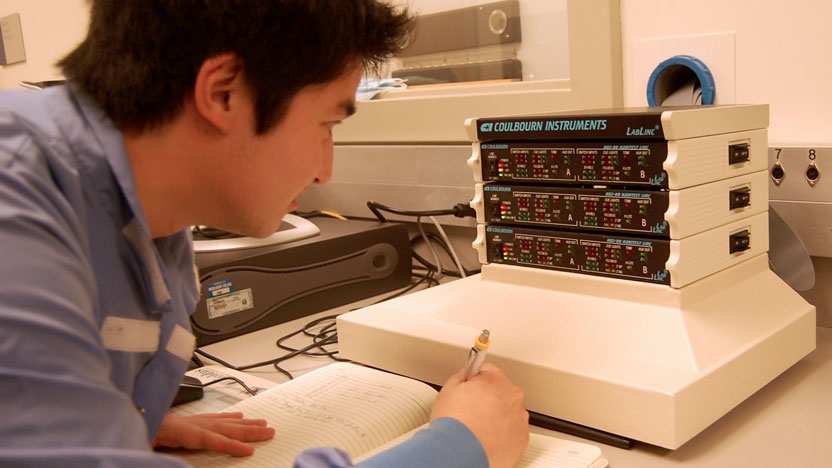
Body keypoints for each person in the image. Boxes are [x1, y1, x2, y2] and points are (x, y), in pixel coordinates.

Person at [0, 1, 529, 467]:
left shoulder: (144, 207)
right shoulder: (16, 221)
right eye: (327, 125)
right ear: (224, 93)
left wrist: (114, 419)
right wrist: (459, 448)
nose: (326, 170)